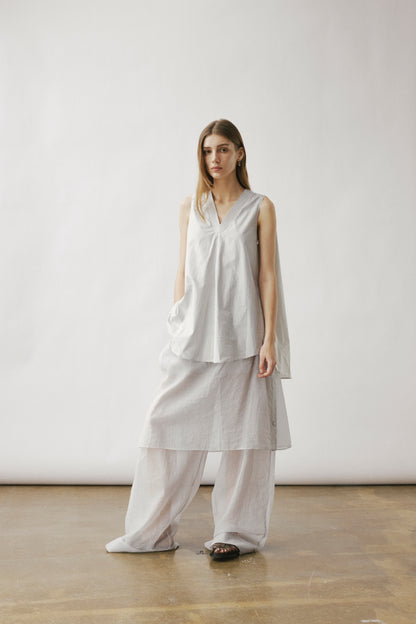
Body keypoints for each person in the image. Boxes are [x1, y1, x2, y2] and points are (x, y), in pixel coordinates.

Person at [106, 118, 292, 561]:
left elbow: (267, 275)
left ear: (239, 153)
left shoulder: (260, 207)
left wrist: (269, 339)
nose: (215, 159)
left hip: (245, 336)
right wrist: (177, 318)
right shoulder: (190, 207)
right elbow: (183, 268)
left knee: (246, 438)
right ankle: (152, 531)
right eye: (208, 151)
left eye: (224, 149)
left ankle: (236, 533)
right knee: (163, 424)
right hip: (192, 335)